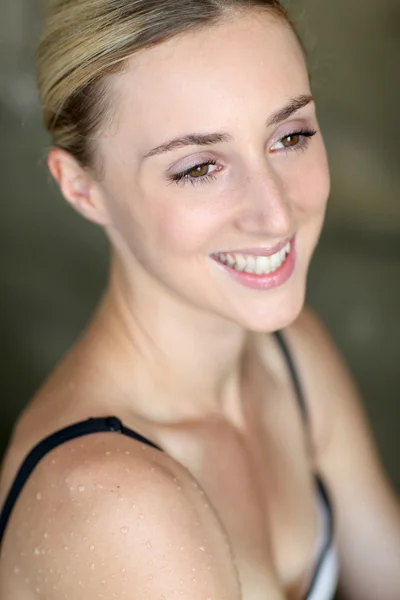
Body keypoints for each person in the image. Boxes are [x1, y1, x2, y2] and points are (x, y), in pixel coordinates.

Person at [0, 0, 399, 598]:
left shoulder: (289, 356)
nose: (275, 213)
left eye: (290, 135)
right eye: (198, 168)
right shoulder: (116, 506)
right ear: (84, 189)